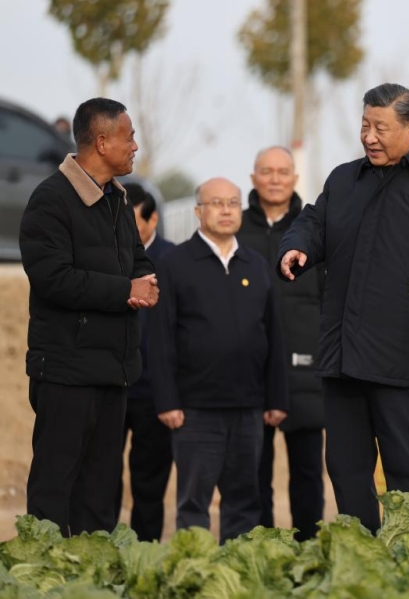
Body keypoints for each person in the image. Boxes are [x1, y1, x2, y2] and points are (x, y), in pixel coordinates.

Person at [278, 83, 409, 533]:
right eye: (365, 125)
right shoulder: (344, 180)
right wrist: (297, 247)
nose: (368, 136)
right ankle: (361, 557)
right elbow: (313, 222)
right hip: (344, 358)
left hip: (405, 362)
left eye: (380, 127)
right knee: (347, 471)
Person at [19, 98, 158, 536]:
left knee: (100, 496)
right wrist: (125, 292)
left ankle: (92, 580)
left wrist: (145, 281)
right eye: (129, 136)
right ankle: (43, 580)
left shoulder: (117, 199)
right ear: (101, 141)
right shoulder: (50, 200)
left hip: (112, 371)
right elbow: (53, 279)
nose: (135, 145)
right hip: (65, 371)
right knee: (54, 493)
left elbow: (136, 259)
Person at [149, 177, 288, 542]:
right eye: (216, 203)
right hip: (195, 411)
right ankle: (194, 577)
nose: (226, 210)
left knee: (245, 501)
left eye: (232, 203)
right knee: (194, 503)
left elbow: (274, 335)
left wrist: (276, 398)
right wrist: (167, 399)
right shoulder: (175, 263)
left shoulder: (256, 266)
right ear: (198, 211)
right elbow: (159, 337)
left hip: (248, 409)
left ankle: (237, 578)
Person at [238, 146, 325, 541]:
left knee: (308, 474)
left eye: (283, 172)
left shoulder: (315, 231)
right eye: (266, 171)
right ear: (253, 178)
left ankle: (308, 553)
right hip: (250, 371)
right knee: (253, 471)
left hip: (305, 372)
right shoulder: (235, 230)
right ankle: (263, 551)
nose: (275, 179)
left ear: (294, 179)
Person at [115, 183, 175, 541]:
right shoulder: (107, 255)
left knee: (149, 481)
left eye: (134, 221)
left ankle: (146, 548)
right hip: (113, 382)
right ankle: (103, 548)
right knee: (102, 474)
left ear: (153, 219)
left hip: (156, 389)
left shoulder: (174, 260)